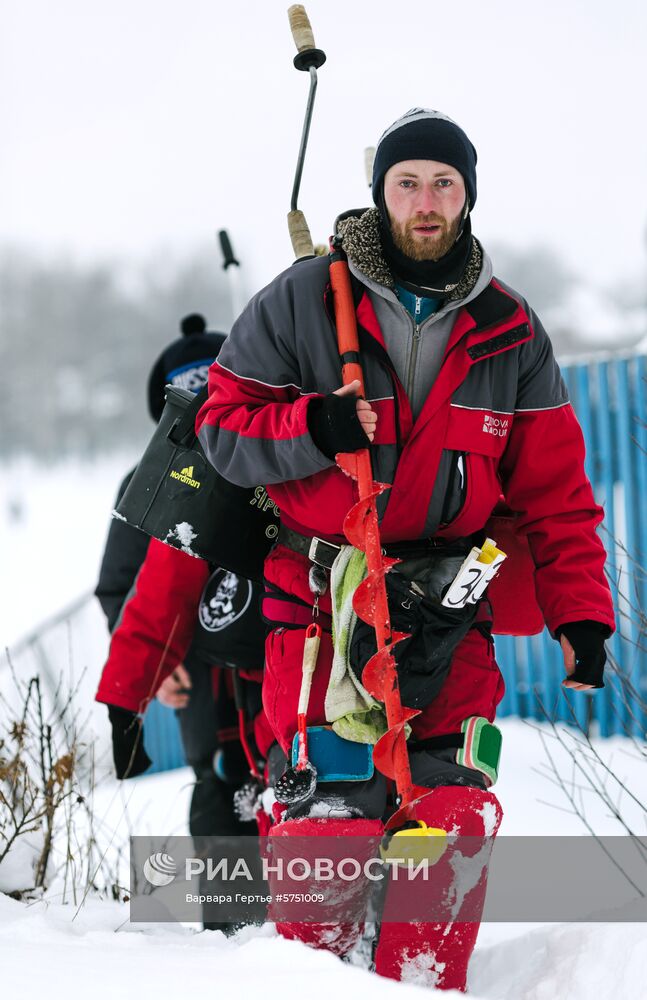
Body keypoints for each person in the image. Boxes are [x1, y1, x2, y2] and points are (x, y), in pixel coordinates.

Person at [195, 109, 615, 988]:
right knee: (329, 817)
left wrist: (581, 615)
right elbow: (222, 430)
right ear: (379, 193)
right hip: (320, 607)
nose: (425, 202)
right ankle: (318, 982)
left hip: (449, 614)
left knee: (450, 812)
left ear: (467, 196)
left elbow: (556, 494)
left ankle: (421, 980)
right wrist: (314, 424)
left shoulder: (509, 329)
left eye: (443, 184)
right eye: (406, 183)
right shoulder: (302, 300)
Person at [95, 315, 272, 931]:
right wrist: (155, 671)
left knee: (273, 771)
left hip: (262, 641)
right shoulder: (144, 485)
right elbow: (122, 586)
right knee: (218, 774)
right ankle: (232, 920)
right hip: (189, 660)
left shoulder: (264, 458)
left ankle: (289, 916)